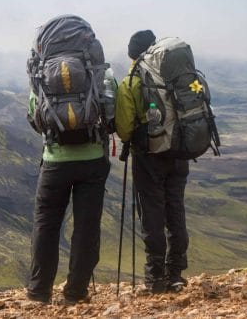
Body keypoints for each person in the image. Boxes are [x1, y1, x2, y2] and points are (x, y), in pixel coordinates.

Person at [25, 17, 114, 304]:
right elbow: (111, 113)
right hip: (92, 161)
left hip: (55, 161)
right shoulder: (99, 73)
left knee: (46, 226)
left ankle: (39, 292)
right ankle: (76, 292)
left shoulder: (41, 75)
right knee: (86, 228)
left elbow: (35, 115)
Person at [115, 30, 190, 294]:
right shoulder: (174, 74)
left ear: (132, 54)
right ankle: (176, 273)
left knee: (153, 216)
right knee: (175, 210)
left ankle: (156, 277)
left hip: (149, 157)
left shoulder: (131, 82)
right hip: (180, 153)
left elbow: (124, 129)